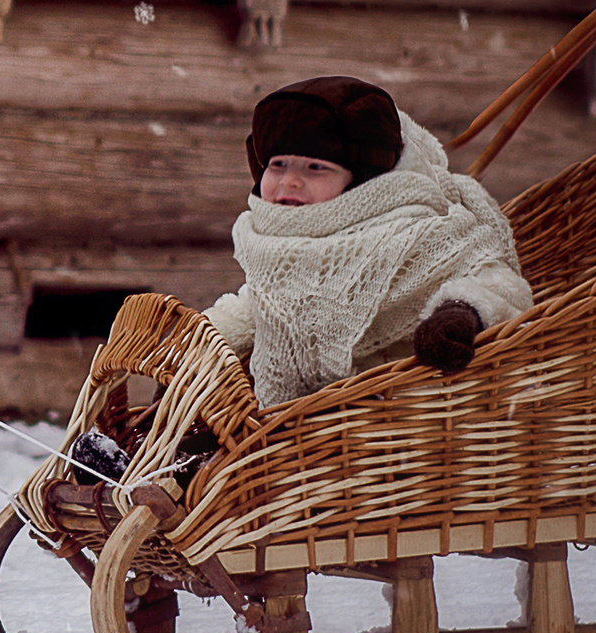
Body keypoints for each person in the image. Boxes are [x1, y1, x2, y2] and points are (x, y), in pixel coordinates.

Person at [203, 76, 532, 410]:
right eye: (278, 165)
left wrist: (460, 311)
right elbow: (252, 309)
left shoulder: (419, 234)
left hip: (411, 411)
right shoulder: (277, 252)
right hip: (307, 426)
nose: (290, 181)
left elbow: (493, 279)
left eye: (315, 167)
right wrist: (200, 346)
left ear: (362, 181)